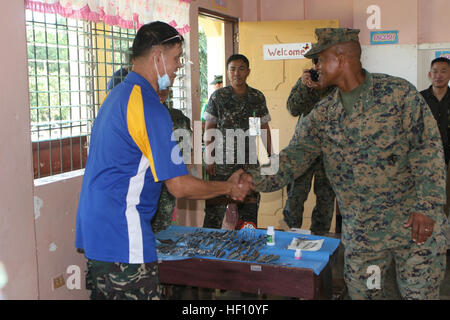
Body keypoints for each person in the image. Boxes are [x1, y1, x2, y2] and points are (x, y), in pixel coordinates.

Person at [240, 28, 448, 299]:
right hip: (364, 236)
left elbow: (428, 150)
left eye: (320, 60)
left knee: (418, 296)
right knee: (366, 295)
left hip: (413, 226)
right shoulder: (324, 113)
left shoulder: (397, 94)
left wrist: (428, 207)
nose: (316, 67)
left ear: (341, 58)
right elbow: (292, 157)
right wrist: (250, 179)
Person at [75, 21, 251, 300]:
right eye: (176, 58)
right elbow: (179, 186)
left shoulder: (117, 97)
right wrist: (229, 188)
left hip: (97, 232)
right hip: (124, 236)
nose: (178, 66)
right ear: (157, 57)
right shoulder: (149, 106)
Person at [202, 54, 272, 230]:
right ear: (227, 72)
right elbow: (209, 128)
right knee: (214, 211)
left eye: (241, 69)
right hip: (221, 163)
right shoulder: (218, 97)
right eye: (232, 69)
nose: (237, 73)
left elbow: (263, 128)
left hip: (248, 161)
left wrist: (271, 155)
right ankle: (208, 250)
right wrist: (209, 157)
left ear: (248, 71)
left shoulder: (257, 97)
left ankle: (246, 245)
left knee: (249, 208)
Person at [282, 59, 336, 234]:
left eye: (322, 62)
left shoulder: (337, 82)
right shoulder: (305, 81)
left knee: (326, 201)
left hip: (329, 152)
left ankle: (320, 240)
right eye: (316, 64)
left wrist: (322, 87)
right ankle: (289, 238)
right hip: (302, 150)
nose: (318, 68)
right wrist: (306, 87)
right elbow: (293, 108)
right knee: (294, 199)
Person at [420, 57, 450, 166]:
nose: (438, 75)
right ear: (429, 74)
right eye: (435, 71)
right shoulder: (419, 98)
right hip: (425, 155)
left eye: (443, 71)